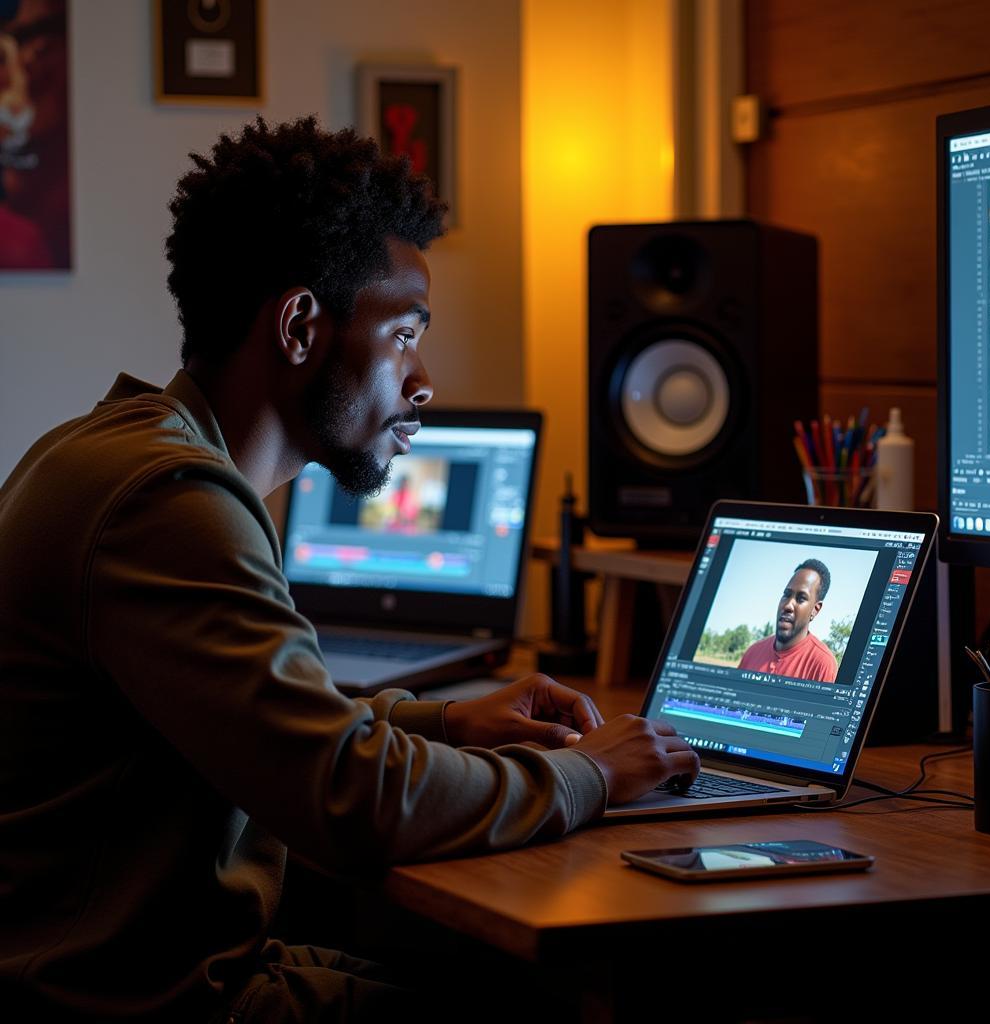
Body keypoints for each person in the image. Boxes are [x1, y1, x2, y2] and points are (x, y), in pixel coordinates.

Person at [0, 116, 699, 1021]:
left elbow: (268, 723)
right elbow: (351, 798)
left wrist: (450, 723)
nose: (422, 381)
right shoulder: (168, 501)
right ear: (298, 325)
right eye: (404, 335)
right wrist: (591, 774)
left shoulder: (112, 451)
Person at [737, 558, 839, 683]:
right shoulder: (752, 653)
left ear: (815, 610)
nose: (788, 605)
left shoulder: (822, 665)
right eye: (786, 595)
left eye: (801, 598)